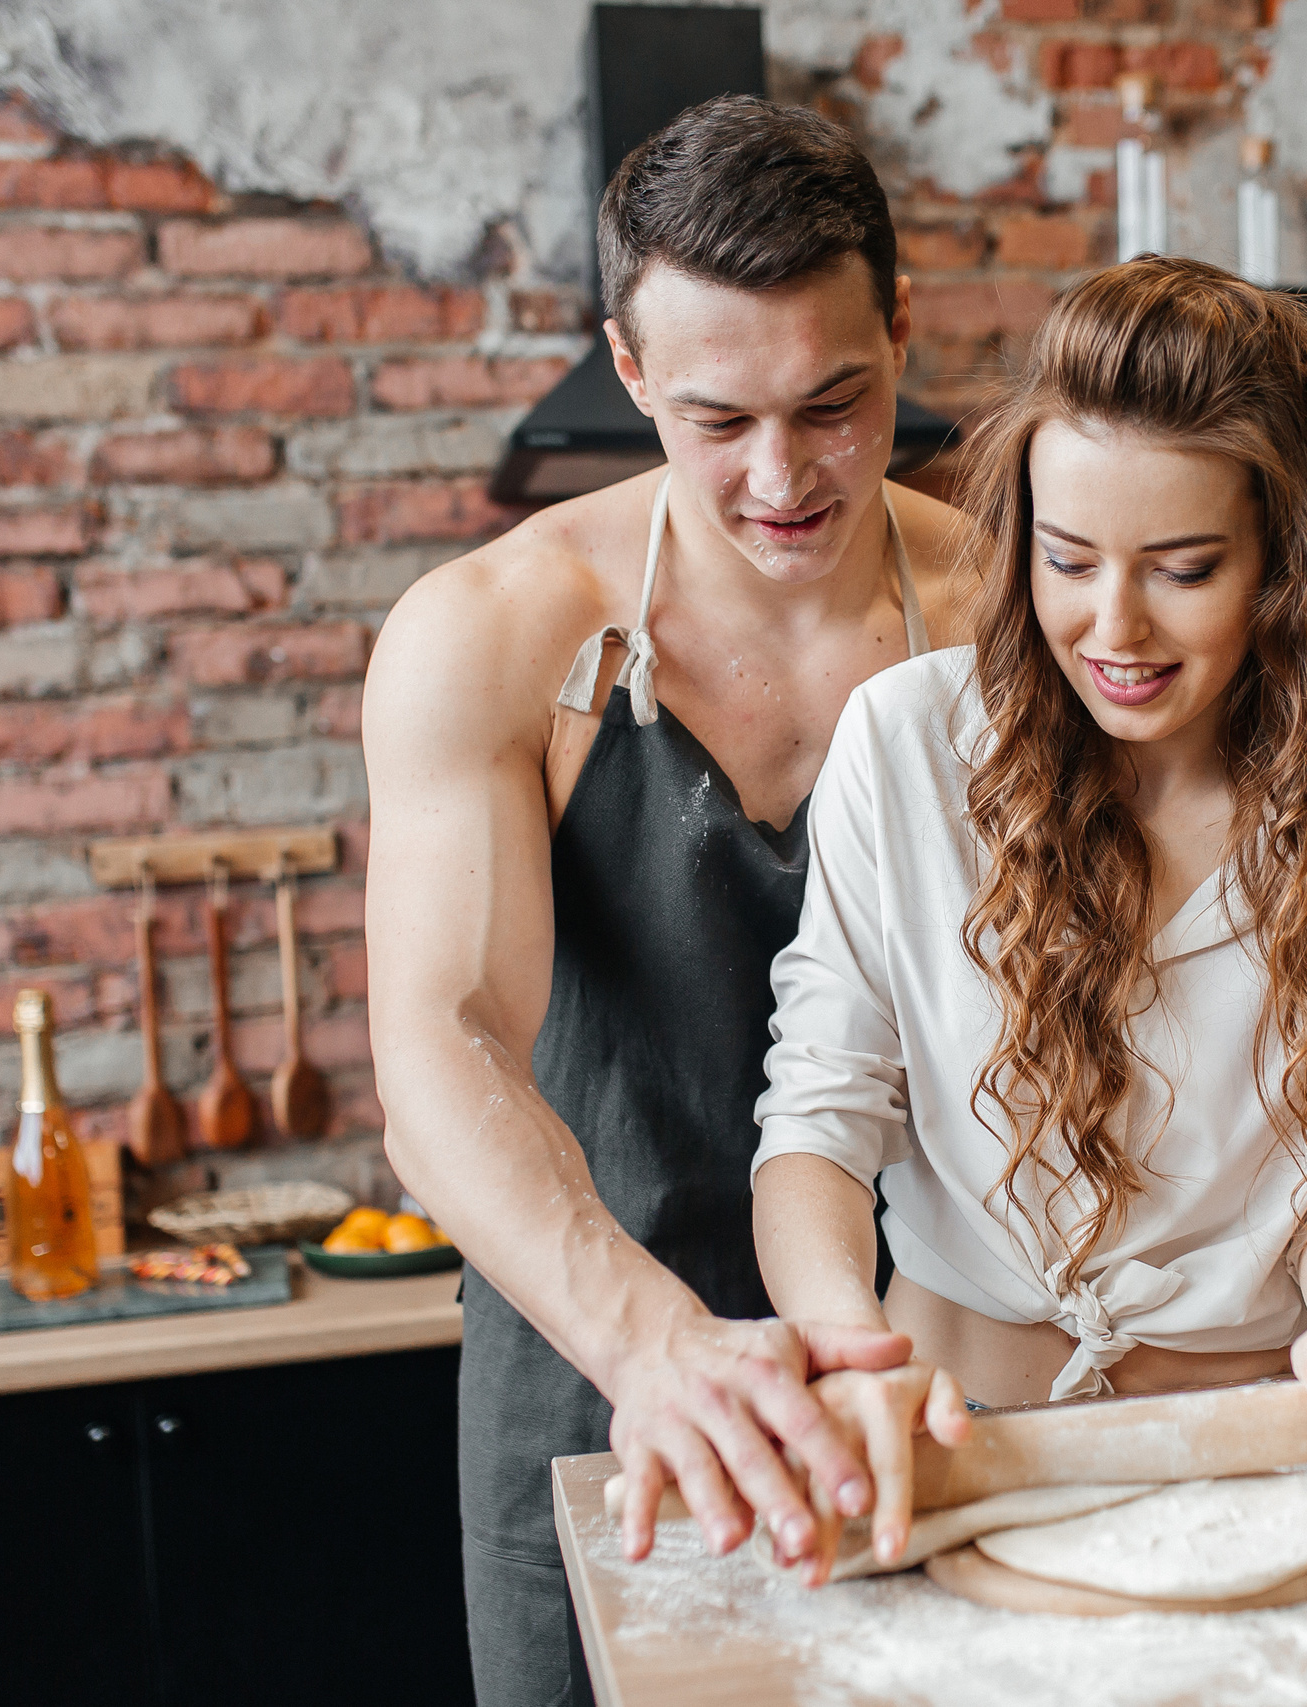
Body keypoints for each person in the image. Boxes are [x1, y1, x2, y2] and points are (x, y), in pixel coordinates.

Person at [750, 257, 1307, 1575]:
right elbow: (817, 1117)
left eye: (1185, 568)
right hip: (947, 1437)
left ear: (1284, 560)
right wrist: (835, 1346)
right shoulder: (907, 746)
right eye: (1069, 560)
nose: (1115, 625)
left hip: (1261, 1446)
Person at [362, 98, 975, 1707]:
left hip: (940, 1377)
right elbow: (442, 1043)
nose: (781, 478)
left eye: (834, 404)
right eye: (717, 420)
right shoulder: (487, 632)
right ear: (629, 372)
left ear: (901, 333)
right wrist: (653, 1343)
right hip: (597, 1367)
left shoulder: (1016, 614)